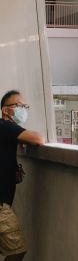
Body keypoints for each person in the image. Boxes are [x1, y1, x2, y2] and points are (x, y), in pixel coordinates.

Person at [0, 90, 45, 260]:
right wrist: (25, 138)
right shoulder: (5, 126)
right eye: (18, 106)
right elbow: (38, 139)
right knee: (17, 250)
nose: (23, 110)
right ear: (5, 110)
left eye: (25, 106)